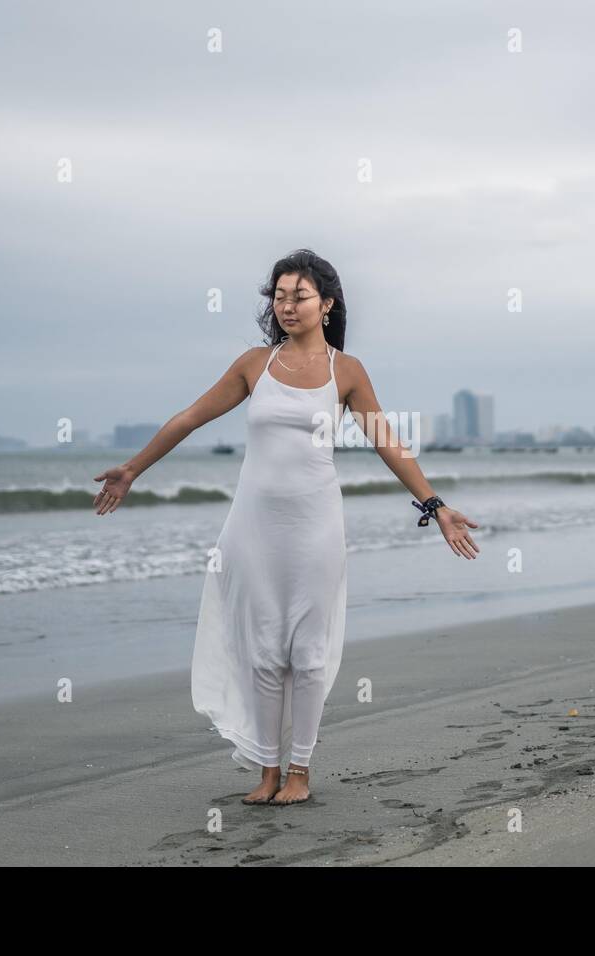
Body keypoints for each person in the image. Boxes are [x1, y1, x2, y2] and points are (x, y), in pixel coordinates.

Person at [93, 249, 479, 806]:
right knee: (264, 650)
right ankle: (268, 771)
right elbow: (189, 418)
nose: (287, 305)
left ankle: (300, 770)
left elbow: (387, 442)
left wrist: (436, 505)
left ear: (327, 304)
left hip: (316, 524)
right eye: (279, 295)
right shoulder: (256, 364)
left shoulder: (345, 371)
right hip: (252, 526)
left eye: (299, 296)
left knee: (309, 652)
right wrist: (133, 468)